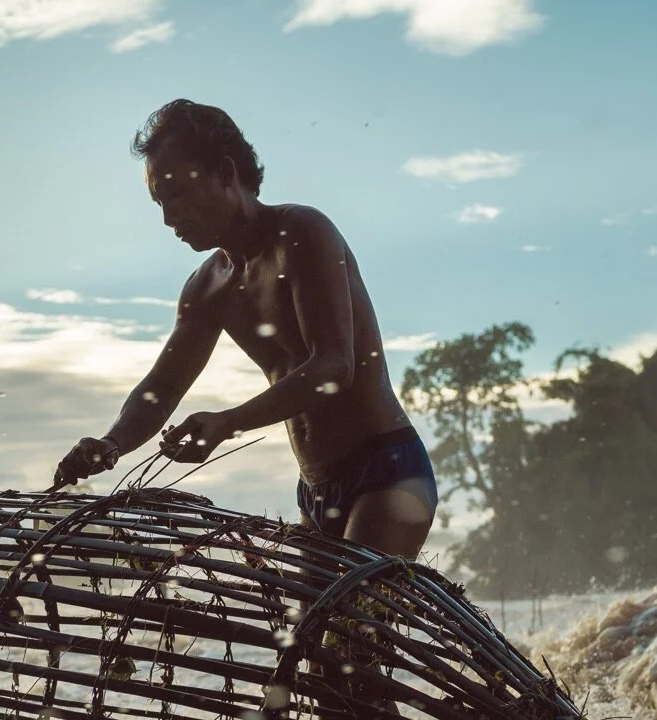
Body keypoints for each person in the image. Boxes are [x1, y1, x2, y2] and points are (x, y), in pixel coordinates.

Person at [52, 99, 437, 560]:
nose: (169, 217)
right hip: (315, 489)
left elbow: (335, 367)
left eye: (177, 194)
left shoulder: (300, 233)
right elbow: (161, 388)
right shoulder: (207, 287)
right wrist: (111, 443)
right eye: (159, 201)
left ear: (225, 172)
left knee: (353, 621)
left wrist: (226, 422)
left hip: (386, 470)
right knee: (310, 632)